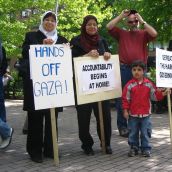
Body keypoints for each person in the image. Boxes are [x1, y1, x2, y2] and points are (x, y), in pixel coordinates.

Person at [21, 11, 68, 163]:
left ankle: (50, 149)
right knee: (35, 119)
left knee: (51, 118)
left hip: (53, 88)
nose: (49, 22)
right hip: (37, 87)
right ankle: (34, 151)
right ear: (42, 22)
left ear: (56, 24)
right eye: (46, 20)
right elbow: (25, 53)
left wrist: (67, 49)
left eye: (52, 20)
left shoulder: (61, 39)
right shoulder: (32, 36)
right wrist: (41, 45)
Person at [106, 9, 158, 137]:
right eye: (130, 21)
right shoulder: (122, 33)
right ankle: (123, 127)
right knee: (122, 99)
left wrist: (142, 21)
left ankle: (145, 128)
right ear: (126, 23)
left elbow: (154, 33)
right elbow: (109, 26)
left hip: (140, 70)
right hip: (124, 69)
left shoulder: (144, 33)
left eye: (135, 21)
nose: (133, 23)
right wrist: (121, 16)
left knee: (143, 98)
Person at [70, 15, 112, 155]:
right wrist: (86, 55)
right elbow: (71, 62)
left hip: (101, 86)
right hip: (83, 87)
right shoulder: (76, 41)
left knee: (105, 116)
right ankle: (86, 145)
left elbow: (109, 58)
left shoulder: (102, 41)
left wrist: (107, 55)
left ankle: (106, 143)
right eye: (89, 24)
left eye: (94, 24)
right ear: (84, 26)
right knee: (84, 118)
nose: (92, 27)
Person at [122, 60, 168, 157]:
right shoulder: (129, 85)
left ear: (143, 71)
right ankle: (134, 147)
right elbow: (126, 99)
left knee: (145, 132)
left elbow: (154, 96)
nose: (136, 72)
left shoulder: (149, 84)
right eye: (134, 70)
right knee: (133, 132)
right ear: (131, 71)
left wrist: (162, 94)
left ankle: (145, 148)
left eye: (139, 70)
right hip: (133, 114)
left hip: (146, 114)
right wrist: (125, 110)